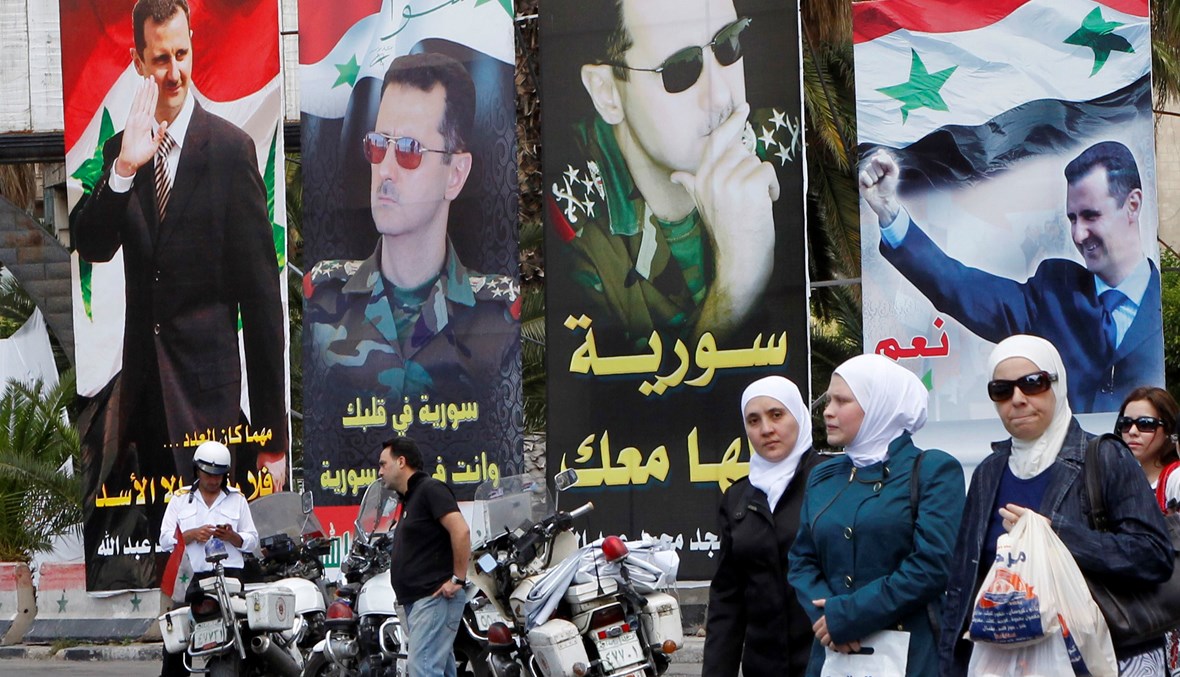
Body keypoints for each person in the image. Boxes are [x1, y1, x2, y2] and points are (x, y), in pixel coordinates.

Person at [73, 0, 288, 493]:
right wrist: (123, 171)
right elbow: (92, 245)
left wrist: (272, 439)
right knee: (159, 543)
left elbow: (261, 306)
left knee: (217, 540)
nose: (174, 73)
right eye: (160, 59)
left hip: (212, 409)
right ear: (137, 62)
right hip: (144, 412)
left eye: (181, 55)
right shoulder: (121, 152)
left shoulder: (231, 152)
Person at [859, 141, 1164, 413]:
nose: (1078, 234)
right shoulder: (1055, 292)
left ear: (1133, 205)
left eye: (1091, 216)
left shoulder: (1164, 304)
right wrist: (888, 212)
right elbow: (958, 286)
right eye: (1072, 218)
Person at [549, 0, 783, 348]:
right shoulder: (569, 231)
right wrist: (737, 283)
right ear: (607, 93)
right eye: (680, 69)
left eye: (728, 44)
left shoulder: (785, 148)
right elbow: (638, 382)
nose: (721, 96)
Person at [939, 335, 1173, 675]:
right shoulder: (989, 472)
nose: (1018, 399)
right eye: (1001, 390)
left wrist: (1058, 534)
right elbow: (963, 580)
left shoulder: (1105, 457)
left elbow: (1154, 556)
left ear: (1058, 384)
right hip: (1003, 664)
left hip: (1100, 659)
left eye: (1033, 383)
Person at [305, 52, 519, 405]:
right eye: (378, 145)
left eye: (409, 149)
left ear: (455, 175)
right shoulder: (321, 299)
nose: (386, 170)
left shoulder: (499, 316)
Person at [788, 354, 965, 676]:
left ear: (881, 406)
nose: (828, 411)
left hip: (912, 657)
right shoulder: (823, 477)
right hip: (834, 656)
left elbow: (933, 565)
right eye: (828, 400)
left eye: (843, 401)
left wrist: (849, 616)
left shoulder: (934, 470)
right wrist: (828, 621)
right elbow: (802, 560)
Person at [703, 375, 825, 675]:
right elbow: (727, 600)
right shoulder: (738, 498)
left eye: (777, 415)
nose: (766, 429)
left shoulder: (830, 481)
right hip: (764, 666)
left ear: (798, 416)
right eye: (753, 420)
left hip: (827, 660)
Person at [158, 440, 259, 675]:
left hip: (230, 577)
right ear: (197, 471)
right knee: (177, 636)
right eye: (208, 475)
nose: (213, 480)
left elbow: (253, 540)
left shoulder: (237, 499)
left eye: (219, 476)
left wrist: (233, 537)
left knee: (246, 629)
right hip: (192, 578)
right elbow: (164, 539)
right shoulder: (180, 499)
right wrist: (190, 535)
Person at [380, 437, 471, 677]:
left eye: (383, 464)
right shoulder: (410, 498)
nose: (380, 472)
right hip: (419, 602)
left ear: (401, 462)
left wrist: (458, 579)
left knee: (422, 668)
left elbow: (461, 530)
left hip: (433, 599)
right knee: (438, 670)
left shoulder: (430, 489)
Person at [1117, 386, 1180, 674]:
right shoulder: (1119, 483)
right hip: (1142, 617)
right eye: (1125, 423)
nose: (1132, 432)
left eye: (1145, 424)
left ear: (1168, 431)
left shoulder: (1175, 478)